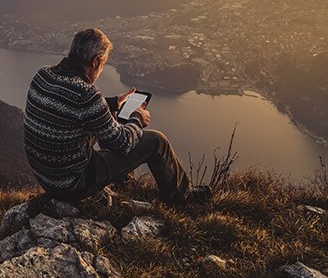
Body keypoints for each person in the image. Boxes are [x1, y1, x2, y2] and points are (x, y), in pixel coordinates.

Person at [23, 28, 212, 205]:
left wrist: (113, 103)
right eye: (103, 64)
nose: (102, 69)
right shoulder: (86, 94)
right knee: (157, 142)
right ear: (96, 61)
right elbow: (123, 144)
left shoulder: (42, 75)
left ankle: (124, 183)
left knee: (110, 117)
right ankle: (182, 197)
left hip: (47, 177)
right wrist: (137, 119)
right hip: (72, 184)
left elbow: (67, 107)